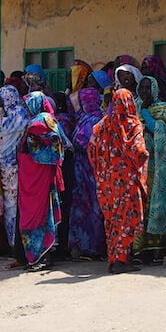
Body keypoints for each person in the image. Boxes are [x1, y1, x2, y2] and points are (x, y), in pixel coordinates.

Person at [90, 88, 149, 274]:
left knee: (113, 220)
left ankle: (114, 257)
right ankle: (122, 261)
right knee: (129, 218)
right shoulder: (132, 125)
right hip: (127, 181)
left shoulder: (102, 125)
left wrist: (102, 170)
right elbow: (139, 152)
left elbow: (91, 150)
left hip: (107, 183)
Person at [15, 91, 66, 271]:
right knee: (30, 216)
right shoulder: (34, 121)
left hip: (39, 176)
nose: (26, 109)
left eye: (29, 105)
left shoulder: (42, 121)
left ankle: (44, 257)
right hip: (29, 178)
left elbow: (55, 148)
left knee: (43, 214)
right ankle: (35, 257)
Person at [132, 76, 166, 264]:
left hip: (156, 166)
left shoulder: (162, 109)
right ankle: (139, 248)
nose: (144, 92)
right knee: (139, 203)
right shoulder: (134, 105)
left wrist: (146, 115)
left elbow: (160, 130)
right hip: (137, 165)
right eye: (142, 88)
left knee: (155, 203)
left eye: (148, 88)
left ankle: (156, 248)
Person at [67, 87, 108, 261]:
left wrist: (74, 145)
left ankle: (94, 246)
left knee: (93, 207)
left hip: (91, 170)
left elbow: (88, 144)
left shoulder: (97, 120)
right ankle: (81, 245)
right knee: (81, 206)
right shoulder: (83, 118)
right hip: (80, 171)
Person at [0, 85, 27, 256]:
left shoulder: (18, 115)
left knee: (14, 205)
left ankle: (18, 245)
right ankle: (13, 244)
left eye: (0, 96)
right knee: (8, 206)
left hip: (14, 165)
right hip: (6, 166)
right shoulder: (6, 115)